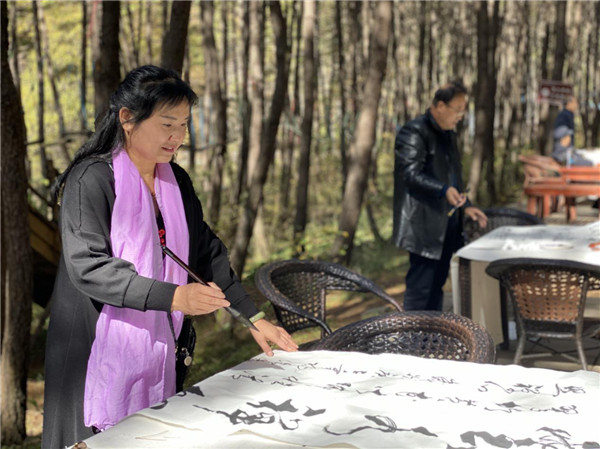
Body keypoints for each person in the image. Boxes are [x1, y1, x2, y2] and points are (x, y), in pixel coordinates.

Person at [42, 65, 298, 449]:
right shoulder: (91, 179)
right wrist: (174, 297)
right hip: (93, 353)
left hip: (162, 349)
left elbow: (205, 253)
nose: (178, 136)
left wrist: (252, 316)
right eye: (167, 125)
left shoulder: (175, 180)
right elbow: (89, 267)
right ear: (127, 118)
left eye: (184, 125)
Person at [392, 81, 488, 312]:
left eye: (463, 110)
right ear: (440, 106)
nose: (460, 116)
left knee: (437, 287)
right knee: (420, 290)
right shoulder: (414, 131)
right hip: (424, 225)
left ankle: (431, 340)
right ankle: (413, 342)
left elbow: (453, 178)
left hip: (447, 225)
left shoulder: (448, 135)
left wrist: (467, 206)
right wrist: (443, 190)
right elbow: (410, 174)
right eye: (457, 109)